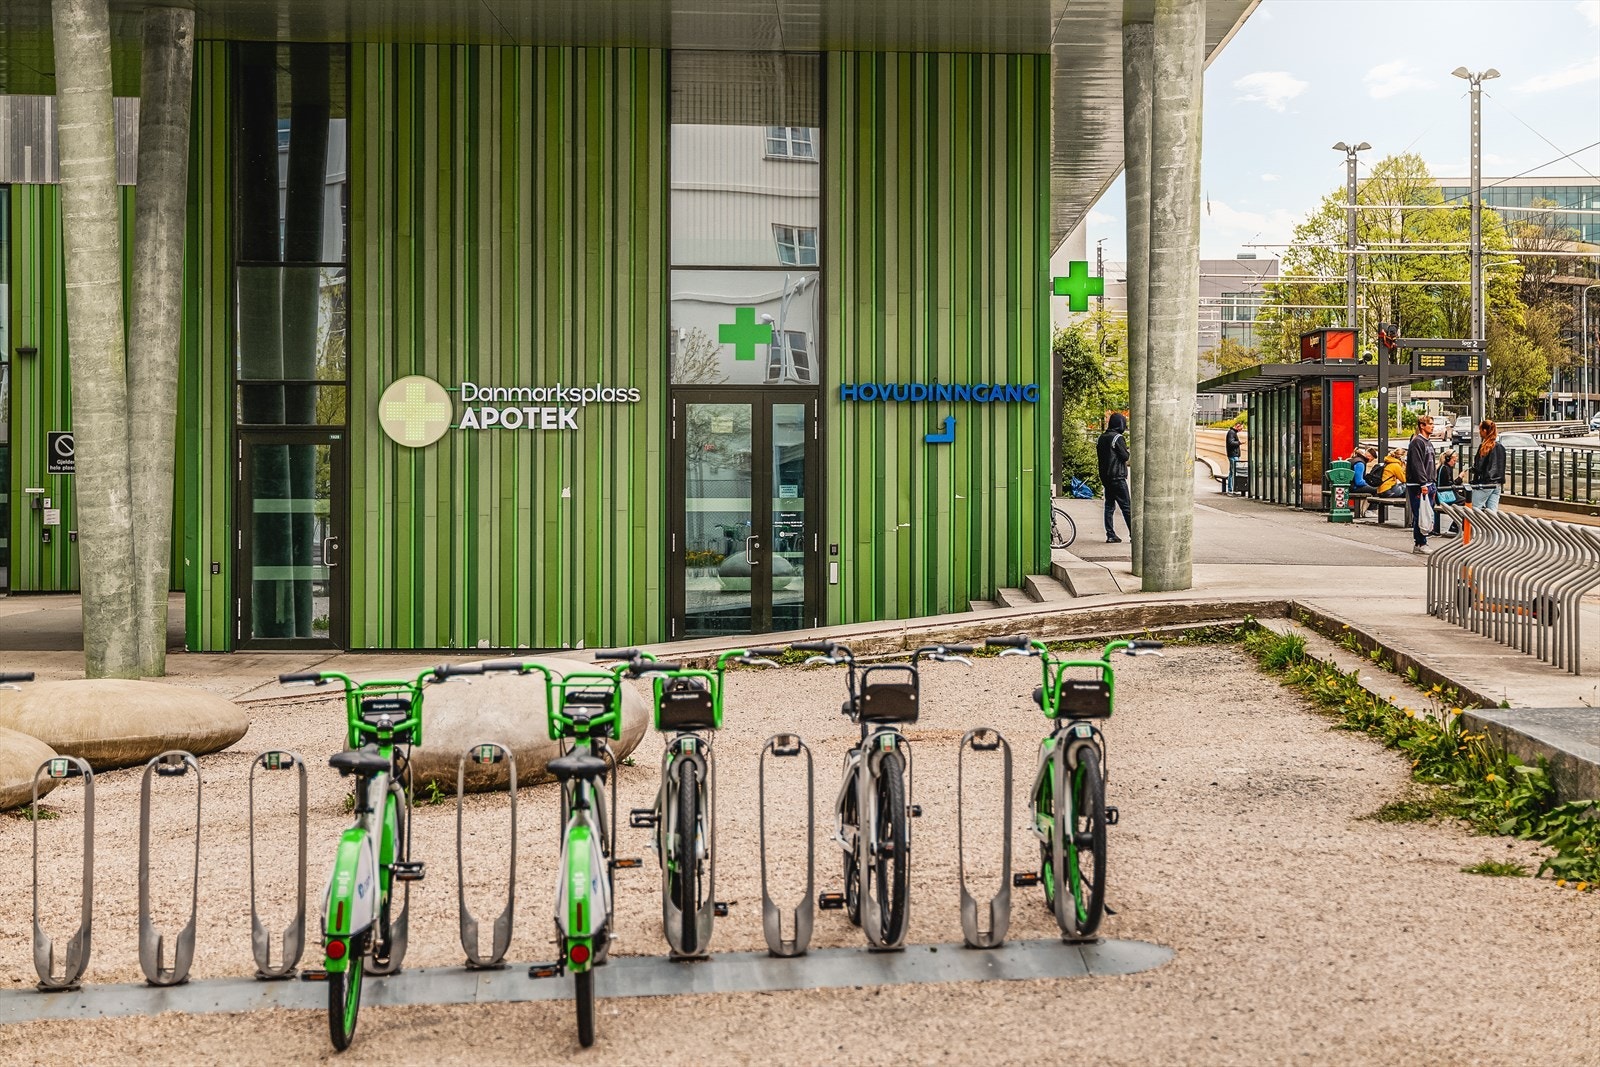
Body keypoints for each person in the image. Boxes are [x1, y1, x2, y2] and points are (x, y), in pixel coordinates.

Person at [1097, 412, 1132, 543]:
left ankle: (1110, 534)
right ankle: (1134, 534)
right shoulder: (1117, 438)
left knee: (1109, 506)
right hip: (1117, 476)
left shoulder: (1102, 437)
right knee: (1127, 507)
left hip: (1106, 477)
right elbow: (1124, 456)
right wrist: (1126, 450)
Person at [1406, 415, 1437, 554]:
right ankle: (1420, 542)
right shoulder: (1417, 442)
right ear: (1422, 426)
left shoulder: (1428, 443)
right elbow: (1417, 464)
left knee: (1427, 513)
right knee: (1420, 513)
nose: (1432, 426)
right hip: (1419, 485)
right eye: (1429, 424)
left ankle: (1422, 541)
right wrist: (1423, 483)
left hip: (1429, 482)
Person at [1469, 419, 1506, 511]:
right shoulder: (1500, 447)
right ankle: (1492, 526)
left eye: (1480, 430)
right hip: (1497, 484)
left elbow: (1479, 467)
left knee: (1472, 509)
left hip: (1485, 483)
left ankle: (1471, 526)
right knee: (1492, 512)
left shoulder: (1484, 447)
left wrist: (1472, 469)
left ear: (1485, 431)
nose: (1480, 433)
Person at [1435, 450, 1460, 535]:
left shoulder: (1445, 467)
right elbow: (1449, 484)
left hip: (1444, 495)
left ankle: (1456, 525)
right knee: (1466, 503)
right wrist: (1459, 478)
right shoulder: (1445, 469)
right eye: (1454, 460)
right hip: (1444, 496)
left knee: (1465, 502)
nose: (1455, 463)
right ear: (1448, 458)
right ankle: (1455, 525)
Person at [1348, 448, 1374, 519]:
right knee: (1376, 490)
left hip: (1348, 486)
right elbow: (1359, 482)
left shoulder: (1352, 460)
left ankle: (1363, 510)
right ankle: (1369, 511)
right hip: (1354, 487)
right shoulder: (1360, 463)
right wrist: (1368, 484)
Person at [1224, 421, 1243, 495]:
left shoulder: (1232, 432)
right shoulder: (1231, 433)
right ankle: (1230, 489)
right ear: (1237, 426)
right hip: (1233, 455)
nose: (1241, 430)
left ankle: (1233, 488)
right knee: (1233, 472)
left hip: (1234, 455)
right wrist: (1239, 442)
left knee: (1233, 472)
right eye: (1241, 428)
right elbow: (1231, 443)